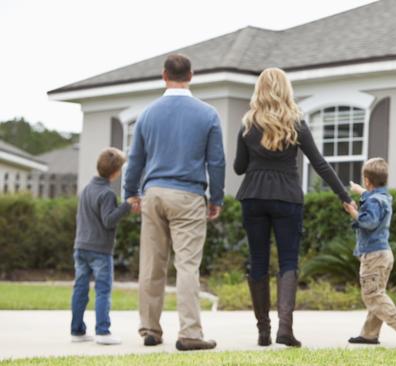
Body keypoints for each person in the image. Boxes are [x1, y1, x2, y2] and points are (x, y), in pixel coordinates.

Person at [234, 67, 353, 348]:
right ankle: (284, 329)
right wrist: (344, 196)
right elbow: (319, 163)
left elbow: (239, 168)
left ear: (259, 90)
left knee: (258, 261)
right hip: (287, 197)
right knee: (288, 261)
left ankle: (263, 331)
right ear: (286, 89)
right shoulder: (296, 123)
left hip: (253, 196)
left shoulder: (247, 125)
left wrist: (256, 157)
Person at [123, 53, 225, 351]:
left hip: (153, 193)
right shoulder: (207, 114)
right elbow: (216, 161)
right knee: (187, 265)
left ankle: (150, 330)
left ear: (164, 75)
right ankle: (190, 333)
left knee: (152, 265)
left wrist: (130, 192)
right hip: (189, 195)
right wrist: (215, 197)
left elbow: (135, 160)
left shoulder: (148, 114)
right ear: (191, 75)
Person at [343, 157, 396, 346]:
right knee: (377, 292)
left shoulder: (373, 201)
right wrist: (361, 191)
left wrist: (353, 212)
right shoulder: (384, 197)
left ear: (367, 180)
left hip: (373, 254)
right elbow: (374, 198)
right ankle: (369, 334)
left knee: (372, 295)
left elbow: (369, 222)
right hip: (383, 254)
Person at [71, 147, 135, 345]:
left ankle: (77, 330)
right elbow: (108, 221)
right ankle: (102, 331)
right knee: (103, 290)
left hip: (81, 247)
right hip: (100, 250)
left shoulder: (87, 189)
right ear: (115, 173)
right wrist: (127, 206)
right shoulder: (107, 194)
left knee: (80, 289)